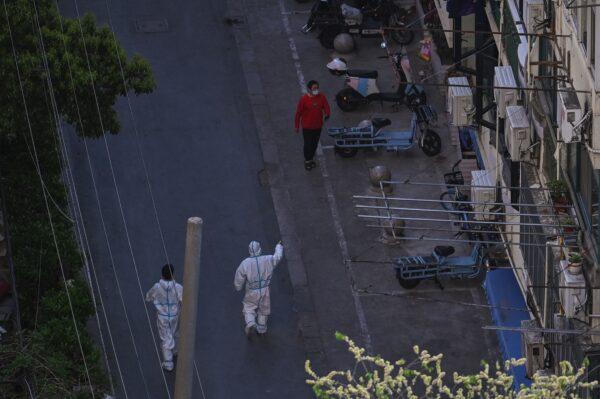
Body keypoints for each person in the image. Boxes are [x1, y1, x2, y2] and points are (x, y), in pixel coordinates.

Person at [234, 240, 284, 337]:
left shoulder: (245, 263)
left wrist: (238, 287)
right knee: (264, 309)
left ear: (249, 251)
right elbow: (277, 257)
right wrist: (278, 246)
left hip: (252, 290)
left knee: (248, 307)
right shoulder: (267, 259)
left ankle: (251, 323)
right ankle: (261, 329)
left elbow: (239, 277)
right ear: (260, 249)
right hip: (265, 290)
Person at [145, 264, 183, 371]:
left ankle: (168, 363)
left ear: (162, 275)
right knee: (175, 332)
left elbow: (148, 296)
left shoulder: (157, 287)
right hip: (175, 315)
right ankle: (175, 350)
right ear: (173, 274)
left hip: (163, 317)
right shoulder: (178, 287)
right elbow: (184, 298)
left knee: (165, 337)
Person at [294, 80, 331, 171]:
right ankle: (307, 161)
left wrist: (327, 114)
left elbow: (326, 107)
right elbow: (298, 113)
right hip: (307, 127)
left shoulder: (321, 97)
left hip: (318, 126)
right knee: (308, 144)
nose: (316, 90)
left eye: (317, 88)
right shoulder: (304, 100)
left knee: (314, 144)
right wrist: (297, 126)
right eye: (314, 88)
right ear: (309, 89)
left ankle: (310, 158)